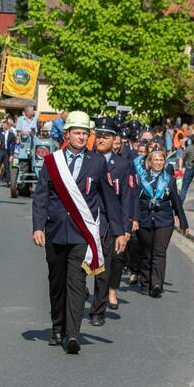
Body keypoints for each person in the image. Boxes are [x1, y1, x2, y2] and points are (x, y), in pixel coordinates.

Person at [32, 111, 126, 354]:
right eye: (77, 132)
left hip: (81, 234)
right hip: (54, 231)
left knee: (76, 282)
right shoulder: (53, 161)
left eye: (85, 133)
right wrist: (37, 227)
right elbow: (41, 196)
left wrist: (119, 231)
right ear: (67, 134)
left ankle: (72, 334)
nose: (82, 137)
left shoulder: (97, 163)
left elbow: (109, 199)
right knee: (57, 282)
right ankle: (57, 327)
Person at [88, 118, 136, 325]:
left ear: (114, 139)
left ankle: (98, 311)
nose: (100, 139)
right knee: (77, 267)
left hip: (109, 222)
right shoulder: (86, 158)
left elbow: (127, 198)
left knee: (103, 270)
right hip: (85, 219)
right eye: (98, 135)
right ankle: (78, 294)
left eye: (105, 136)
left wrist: (125, 230)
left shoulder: (124, 165)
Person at [133, 146, 189, 298]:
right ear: (150, 162)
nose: (158, 162)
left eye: (161, 160)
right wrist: (134, 219)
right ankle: (145, 283)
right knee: (146, 253)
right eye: (155, 159)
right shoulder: (141, 179)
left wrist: (184, 223)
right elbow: (134, 201)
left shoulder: (169, 180)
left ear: (164, 162)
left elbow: (176, 202)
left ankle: (157, 284)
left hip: (164, 220)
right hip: (144, 220)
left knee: (159, 252)